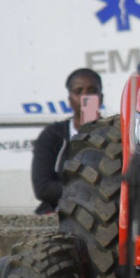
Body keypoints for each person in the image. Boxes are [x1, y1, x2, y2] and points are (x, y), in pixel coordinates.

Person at [31, 67, 103, 215]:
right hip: (59, 212)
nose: (85, 97)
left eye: (92, 90)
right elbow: (43, 188)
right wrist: (87, 191)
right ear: (70, 100)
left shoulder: (116, 133)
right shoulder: (53, 135)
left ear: (101, 97)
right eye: (78, 91)